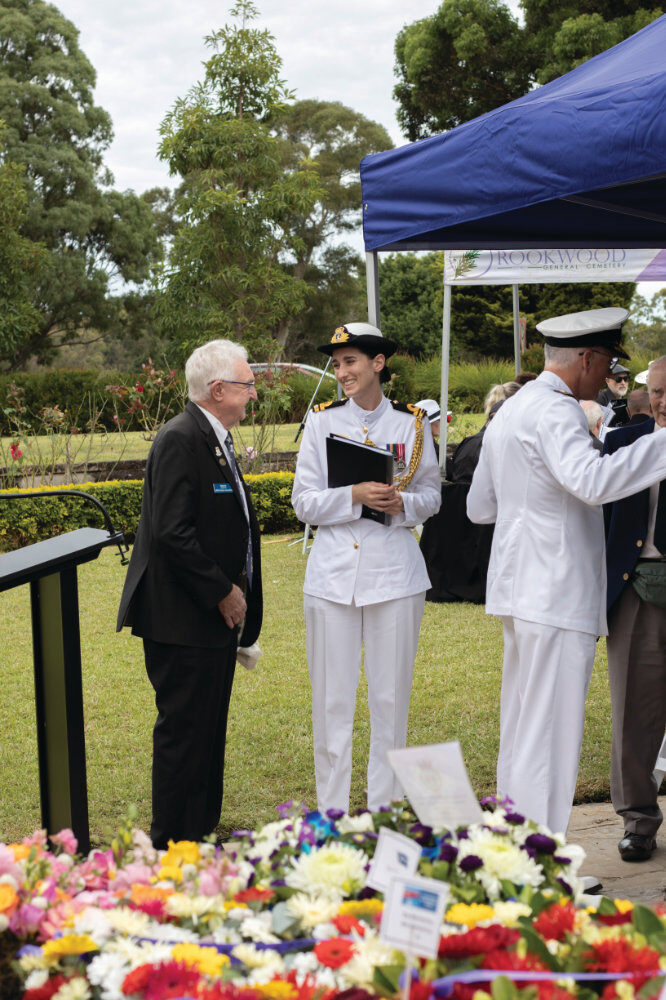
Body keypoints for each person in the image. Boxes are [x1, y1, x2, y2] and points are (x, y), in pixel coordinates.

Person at [467, 307, 666, 836]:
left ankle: (515, 851)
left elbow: (479, 506)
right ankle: (542, 864)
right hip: (555, 590)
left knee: (524, 727)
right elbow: (592, 482)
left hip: (520, 587)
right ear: (586, 357)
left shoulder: (511, 409)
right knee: (549, 735)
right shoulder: (556, 411)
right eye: (605, 364)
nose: (607, 377)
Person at [117, 339, 263, 849]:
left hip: (209, 621)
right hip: (183, 620)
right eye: (247, 385)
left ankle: (199, 831)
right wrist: (222, 590)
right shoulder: (180, 438)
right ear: (218, 389)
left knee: (207, 730)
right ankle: (172, 842)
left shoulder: (213, 436)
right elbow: (171, 533)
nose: (253, 395)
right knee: (184, 734)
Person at [292, 322, 441, 813]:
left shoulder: (412, 424)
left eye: (350, 361)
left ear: (378, 363)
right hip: (333, 578)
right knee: (332, 705)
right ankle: (331, 815)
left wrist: (406, 506)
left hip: (395, 576)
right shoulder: (321, 422)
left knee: (390, 704)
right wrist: (354, 496)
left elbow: (433, 495)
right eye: (337, 365)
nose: (342, 373)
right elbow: (304, 502)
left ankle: (384, 817)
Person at [603, 356, 666, 862]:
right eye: (657, 391)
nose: (662, 401)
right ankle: (638, 820)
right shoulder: (626, 442)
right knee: (633, 711)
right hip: (636, 589)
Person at [597, 361, 631, 428]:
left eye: (626, 379)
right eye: (618, 379)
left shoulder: (628, 402)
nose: (623, 383)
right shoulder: (599, 400)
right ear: (607, 381)